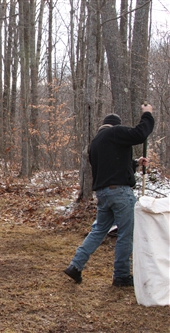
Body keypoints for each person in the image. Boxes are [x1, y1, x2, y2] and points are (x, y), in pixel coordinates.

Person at [64, 104, 154, 287]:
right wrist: (147, 114)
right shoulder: (115, 132)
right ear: (116, 126)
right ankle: (121, 276)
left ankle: (75, 266)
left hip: (103, 194)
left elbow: (113, 165)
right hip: (120, 194)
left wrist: (136, 163)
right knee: (126, 235)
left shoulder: (95, 143)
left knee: (98, 231)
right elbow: (140, 134)